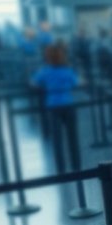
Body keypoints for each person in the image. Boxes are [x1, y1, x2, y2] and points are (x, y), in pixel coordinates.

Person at [31, 43, 81, 174]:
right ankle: (76, 165)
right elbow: (76, 82)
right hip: (68, 104)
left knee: (57, 139)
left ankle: (61, 168)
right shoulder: (67, 70)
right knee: (72, 137)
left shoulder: (45, 71)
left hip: (53, 106)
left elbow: (34, 82)